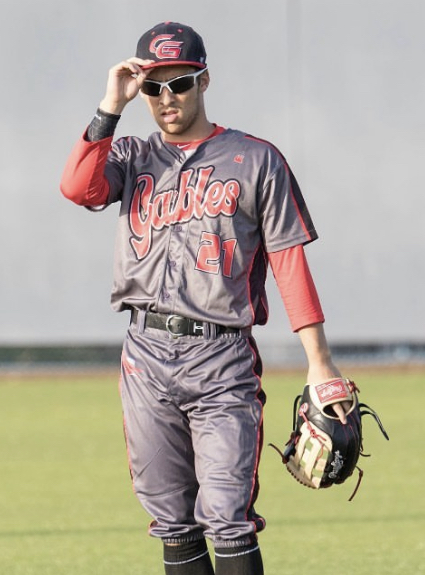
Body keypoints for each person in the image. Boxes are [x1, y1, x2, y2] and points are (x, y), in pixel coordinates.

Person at [60, 21, 350, 575]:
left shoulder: (255, 159)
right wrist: (109, 105)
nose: (167, 98)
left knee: (226, 514)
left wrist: (319, 362)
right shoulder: (130, 155)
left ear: (204, 80)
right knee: (171, 519)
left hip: (221, 359)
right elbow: (79, 188)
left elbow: (289, 262)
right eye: (154, 87)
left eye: (181, 83)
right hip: (145, 354)